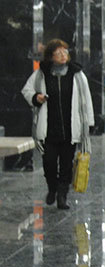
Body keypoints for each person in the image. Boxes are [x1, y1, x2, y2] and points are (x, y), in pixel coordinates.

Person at [21, 39, 95, 209]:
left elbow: (86, 99)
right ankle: (52, 188)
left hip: (71, 128)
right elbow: (27, 90)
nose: (63, 55)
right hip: (49, 128)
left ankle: (62, 194)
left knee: (67, 164)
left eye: (65, 52)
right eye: (59, 53)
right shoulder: (42, 74)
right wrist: (36, 98)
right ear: (51, 56)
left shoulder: (76, 74)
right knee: (49, 162)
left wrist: (89, 122)